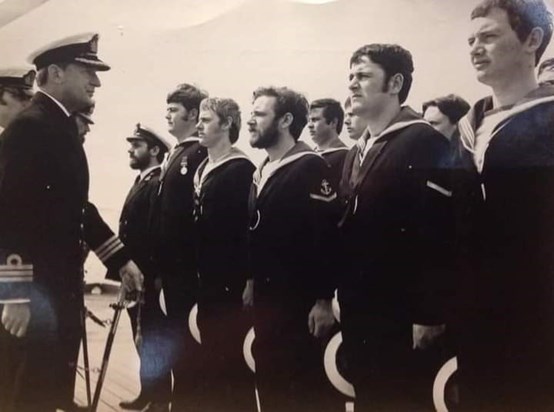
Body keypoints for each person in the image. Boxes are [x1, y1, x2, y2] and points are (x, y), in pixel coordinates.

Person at [0, 32, 143, 412]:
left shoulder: (57, 126)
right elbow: (9, 214)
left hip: (57, 293)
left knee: (48, 392)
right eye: (87, 72)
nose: (95, 82)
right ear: (55, 73)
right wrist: (13, 294)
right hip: (34, 298)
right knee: (27, 395)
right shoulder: (30, 127)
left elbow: (76, 207)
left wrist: (120, 259)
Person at [338, 43, 452, 411]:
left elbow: (438, 233)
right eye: (351, 76)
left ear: (395, 83)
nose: (352, 84)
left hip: (402, 315)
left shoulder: (424, 141)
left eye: (364, 75)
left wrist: (429, 313)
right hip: (361, 310)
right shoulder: (357, 150)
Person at [453, 1, 554, 410]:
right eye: (471, 40)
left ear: (532, 40)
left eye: (490, 36)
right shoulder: (466, 128)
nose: (476, 48)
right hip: (476, 314)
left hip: (539, 314)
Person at [246, 86, 339, 412]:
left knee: (303, 393)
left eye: (259, 114)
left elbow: (325, 237)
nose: (250, 121)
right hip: (268, 303)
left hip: (299, 307)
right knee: (271, 388)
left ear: (285, 119)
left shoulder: (310, 167)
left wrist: (324, 300)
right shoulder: (262, 170)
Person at [193, 97, 256, 412]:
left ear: (228, 124)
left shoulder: (241, 169)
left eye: (206, 120)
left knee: (233, 366)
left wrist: (249, 279)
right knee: (210, 363)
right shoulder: (204, 168)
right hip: (206, 282)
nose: (198, 126)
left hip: (230, 284)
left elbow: (248, 230)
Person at [150, 83, 208, 411]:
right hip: (170, 273)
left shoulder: (198, 153)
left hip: (185, 273)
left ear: (194, 114)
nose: (167, 116)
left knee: (188, 353)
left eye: (174, 110)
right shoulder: (177, 154)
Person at [115, 124, 172, 412]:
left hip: (146, 275)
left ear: (154, 150)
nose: (130, 149)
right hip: (134, 276)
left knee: (150, 336)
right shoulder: (142, 182)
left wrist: (148, 273)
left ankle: (160, 398)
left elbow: (154, 233)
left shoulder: (156, 184)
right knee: (142, 335)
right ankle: (148, 392)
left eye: (137, 145)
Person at [308, 98, 348, 187]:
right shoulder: (308, 155)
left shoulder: (347, 157)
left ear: (333, 122)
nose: (309, 125)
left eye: (315, 120)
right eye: (309, 120)